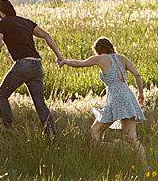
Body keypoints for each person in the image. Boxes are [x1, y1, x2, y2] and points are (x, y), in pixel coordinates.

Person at [59, 37, 147, 167]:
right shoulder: (123, 58)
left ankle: (96, 161)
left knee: (95, 130)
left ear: (99, 50)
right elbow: (137, 75)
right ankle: (145, 166)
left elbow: (79, 64)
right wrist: (141, 93)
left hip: (116, 98)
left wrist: (65, 61)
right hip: (128, 96)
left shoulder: (100, 58)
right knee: (132, 138)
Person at [0, 0, 61, 137]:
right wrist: (59, 56)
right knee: (40, 104)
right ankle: (52, 135)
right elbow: (46, 35)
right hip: (37, 65)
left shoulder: (1, 24)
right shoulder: (26, 22)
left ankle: (9, 130)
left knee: (1, 96)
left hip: (23, 65)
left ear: (1, 12)